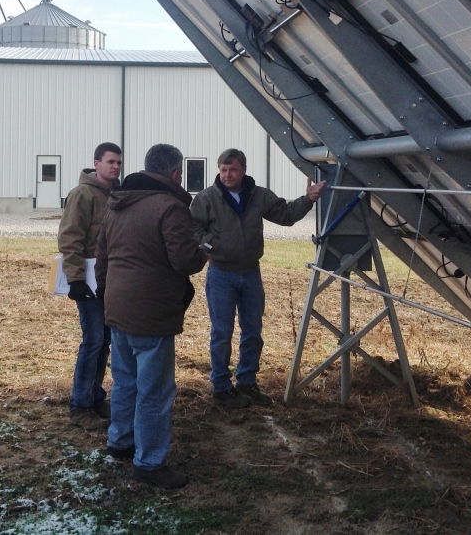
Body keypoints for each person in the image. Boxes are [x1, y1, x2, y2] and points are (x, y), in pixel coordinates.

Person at [95, 143, 208, 489]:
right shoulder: (169, 207)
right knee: (155, 391)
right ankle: (149, 462)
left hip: (118, 308)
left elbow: (101, 259)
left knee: (125, 380)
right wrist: (203, 250)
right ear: (175, 174)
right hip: (151, 312)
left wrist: (107, 298)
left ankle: (121, 440)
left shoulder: (117, 204)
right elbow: (184, 261)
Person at [191, 148, 325, 408]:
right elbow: (192, 228)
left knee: (253, 331)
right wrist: (211, 245)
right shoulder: (207, 198)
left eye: (233, 170)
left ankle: (247, 382)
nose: (227, 175)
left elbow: (285, 215)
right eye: (223, 170)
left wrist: (307, 200)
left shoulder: (258, 195)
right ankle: (220, 387)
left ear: (243, 170)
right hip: (221, 274)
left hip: (251, 273)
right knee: (222, 332)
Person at [58, 142, 123, 431]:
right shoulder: (82, 194)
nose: (115, 167)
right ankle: (80, 406)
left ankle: (96, 397)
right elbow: (70, 238)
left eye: (118, 162)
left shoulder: (119, 195)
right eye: (110, 162)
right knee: (93, 340)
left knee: (105, 341)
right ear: (96, 163)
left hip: (109, 281)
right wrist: (74, 279)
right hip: (88, 282)